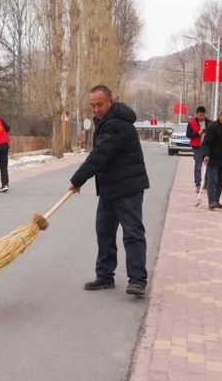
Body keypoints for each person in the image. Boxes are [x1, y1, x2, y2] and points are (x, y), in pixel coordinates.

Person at [69, 85, 150, 297]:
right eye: (93, 106)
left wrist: (78, 179)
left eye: (100, 104)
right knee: (104, 231)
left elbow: (100, 155)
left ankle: (137, 280)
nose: (96, 109)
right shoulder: (105, 122)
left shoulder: (116, 124)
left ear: (110, 102)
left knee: (132, 233)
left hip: (128, 187)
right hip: (110, 187)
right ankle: (105, 275)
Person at [186, 106, 211, 193]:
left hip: (207, 147)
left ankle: (206, 184)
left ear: (205, 114)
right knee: (198, 166)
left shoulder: (209, 123)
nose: (201, 117)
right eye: (199, 115)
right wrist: (197, 133)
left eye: (203, 115)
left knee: (208, 166)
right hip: (197, 147)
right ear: (196, 114)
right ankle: (198, 185)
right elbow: (188, 135)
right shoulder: (191, 123)